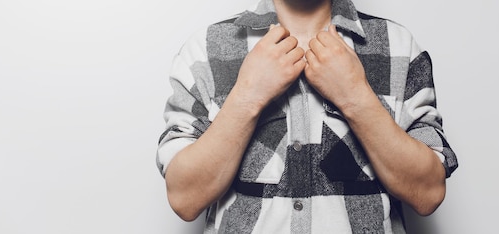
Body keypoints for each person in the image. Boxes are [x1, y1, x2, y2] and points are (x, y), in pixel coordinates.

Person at [156, 0, 458, 233]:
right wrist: (248, 95)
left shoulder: (399, 47)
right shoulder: (206, 50)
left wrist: (355, 96)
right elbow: (185, 198)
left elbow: (428, 193)